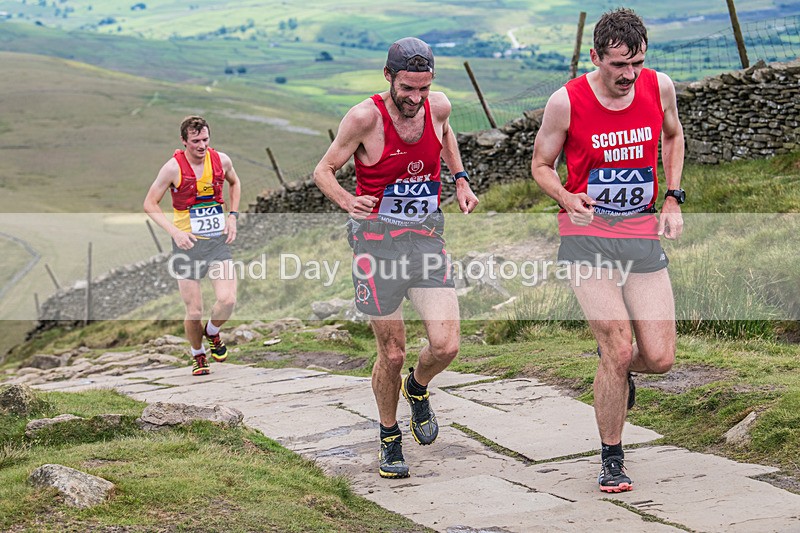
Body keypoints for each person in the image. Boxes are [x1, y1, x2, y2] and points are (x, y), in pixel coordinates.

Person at [531, 8, 685, 493]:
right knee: (618, 348)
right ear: (595, 57)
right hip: (588, 240)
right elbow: (540, 164)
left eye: (636, 62)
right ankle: (612, 458)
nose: (629, 75)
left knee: (658, 358)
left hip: (640, 237)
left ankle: (613, 373)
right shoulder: (566, 102)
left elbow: (674, 136)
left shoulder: (658, 87)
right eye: (619, 65)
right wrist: (566, 196)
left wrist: (672, 197)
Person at [314, 37, 479, 479]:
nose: (415, 98)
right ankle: (389, 435)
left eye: (423, 89)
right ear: (388, 77)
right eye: (407, 88)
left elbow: (446, 136)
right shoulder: (364, 117)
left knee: (446, 344)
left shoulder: (438, 107)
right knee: (391, 352)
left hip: (425, 239)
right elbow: (323, 171)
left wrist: (460, 180)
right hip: (376, 246)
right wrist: (349, 201)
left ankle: (418, 387)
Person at [144, 116, 241, 376]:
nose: (201, 145)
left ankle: (213, 332)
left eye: (205, 140)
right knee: (194, 310)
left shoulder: (221, 160)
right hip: (187, 246)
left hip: (216, 243)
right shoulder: (172, 168)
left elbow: (235, 182)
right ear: (184, 141)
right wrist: (174, 232)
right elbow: (150, 203)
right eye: (196, 141)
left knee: (227, 299)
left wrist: (232, 216)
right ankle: (198, 354)